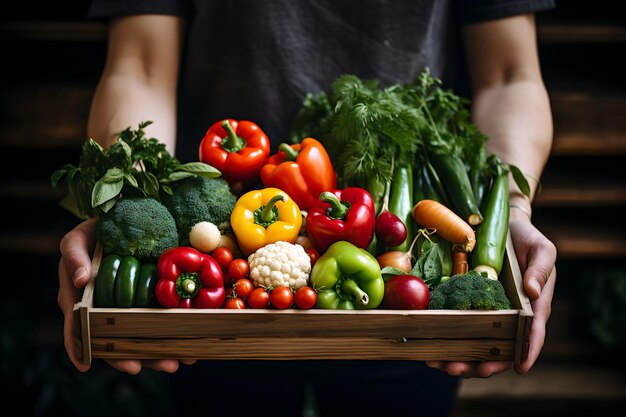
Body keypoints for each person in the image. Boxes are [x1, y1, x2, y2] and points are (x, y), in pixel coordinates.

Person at [58, 0, 558, 415]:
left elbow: (511, 75)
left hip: (407, 303)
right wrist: (124, 202)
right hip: (212, 299)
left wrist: (512, 209)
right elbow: (140, 65)